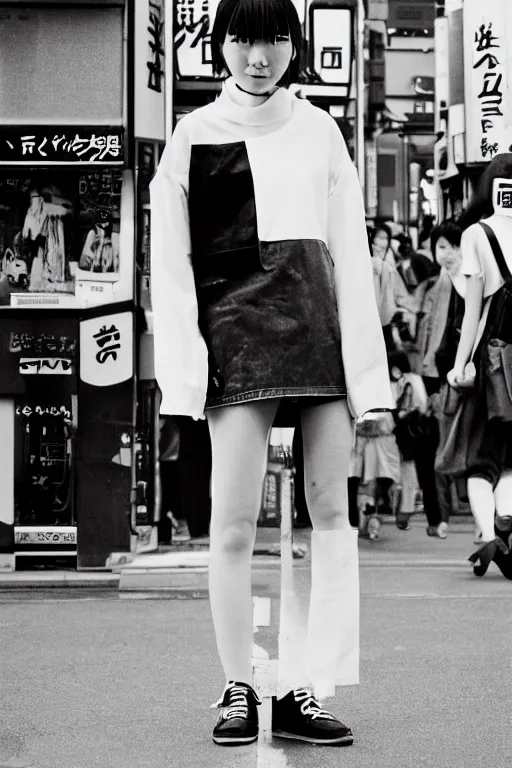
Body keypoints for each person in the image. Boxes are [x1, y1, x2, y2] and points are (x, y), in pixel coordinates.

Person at [150, 0, 394, 748]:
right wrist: (186, 376)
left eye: (274, 39)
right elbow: (175, 269)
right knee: (231, 525)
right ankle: (237, 687)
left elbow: (349, 259)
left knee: (330, 519)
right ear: (220, 44)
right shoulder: (194, 136)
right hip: (238, 344)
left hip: (319, 337)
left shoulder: (321, 131)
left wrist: (371, 385)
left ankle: (304, 687)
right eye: (244, 39)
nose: (259, 55)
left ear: (294, 46)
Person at [448, 153, 512, 578]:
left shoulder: (477, 234)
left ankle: (488, 532)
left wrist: (458, 366)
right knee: (510, 462)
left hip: (493, 364)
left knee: (478, 461)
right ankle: (507, 520)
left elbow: (472, 312)